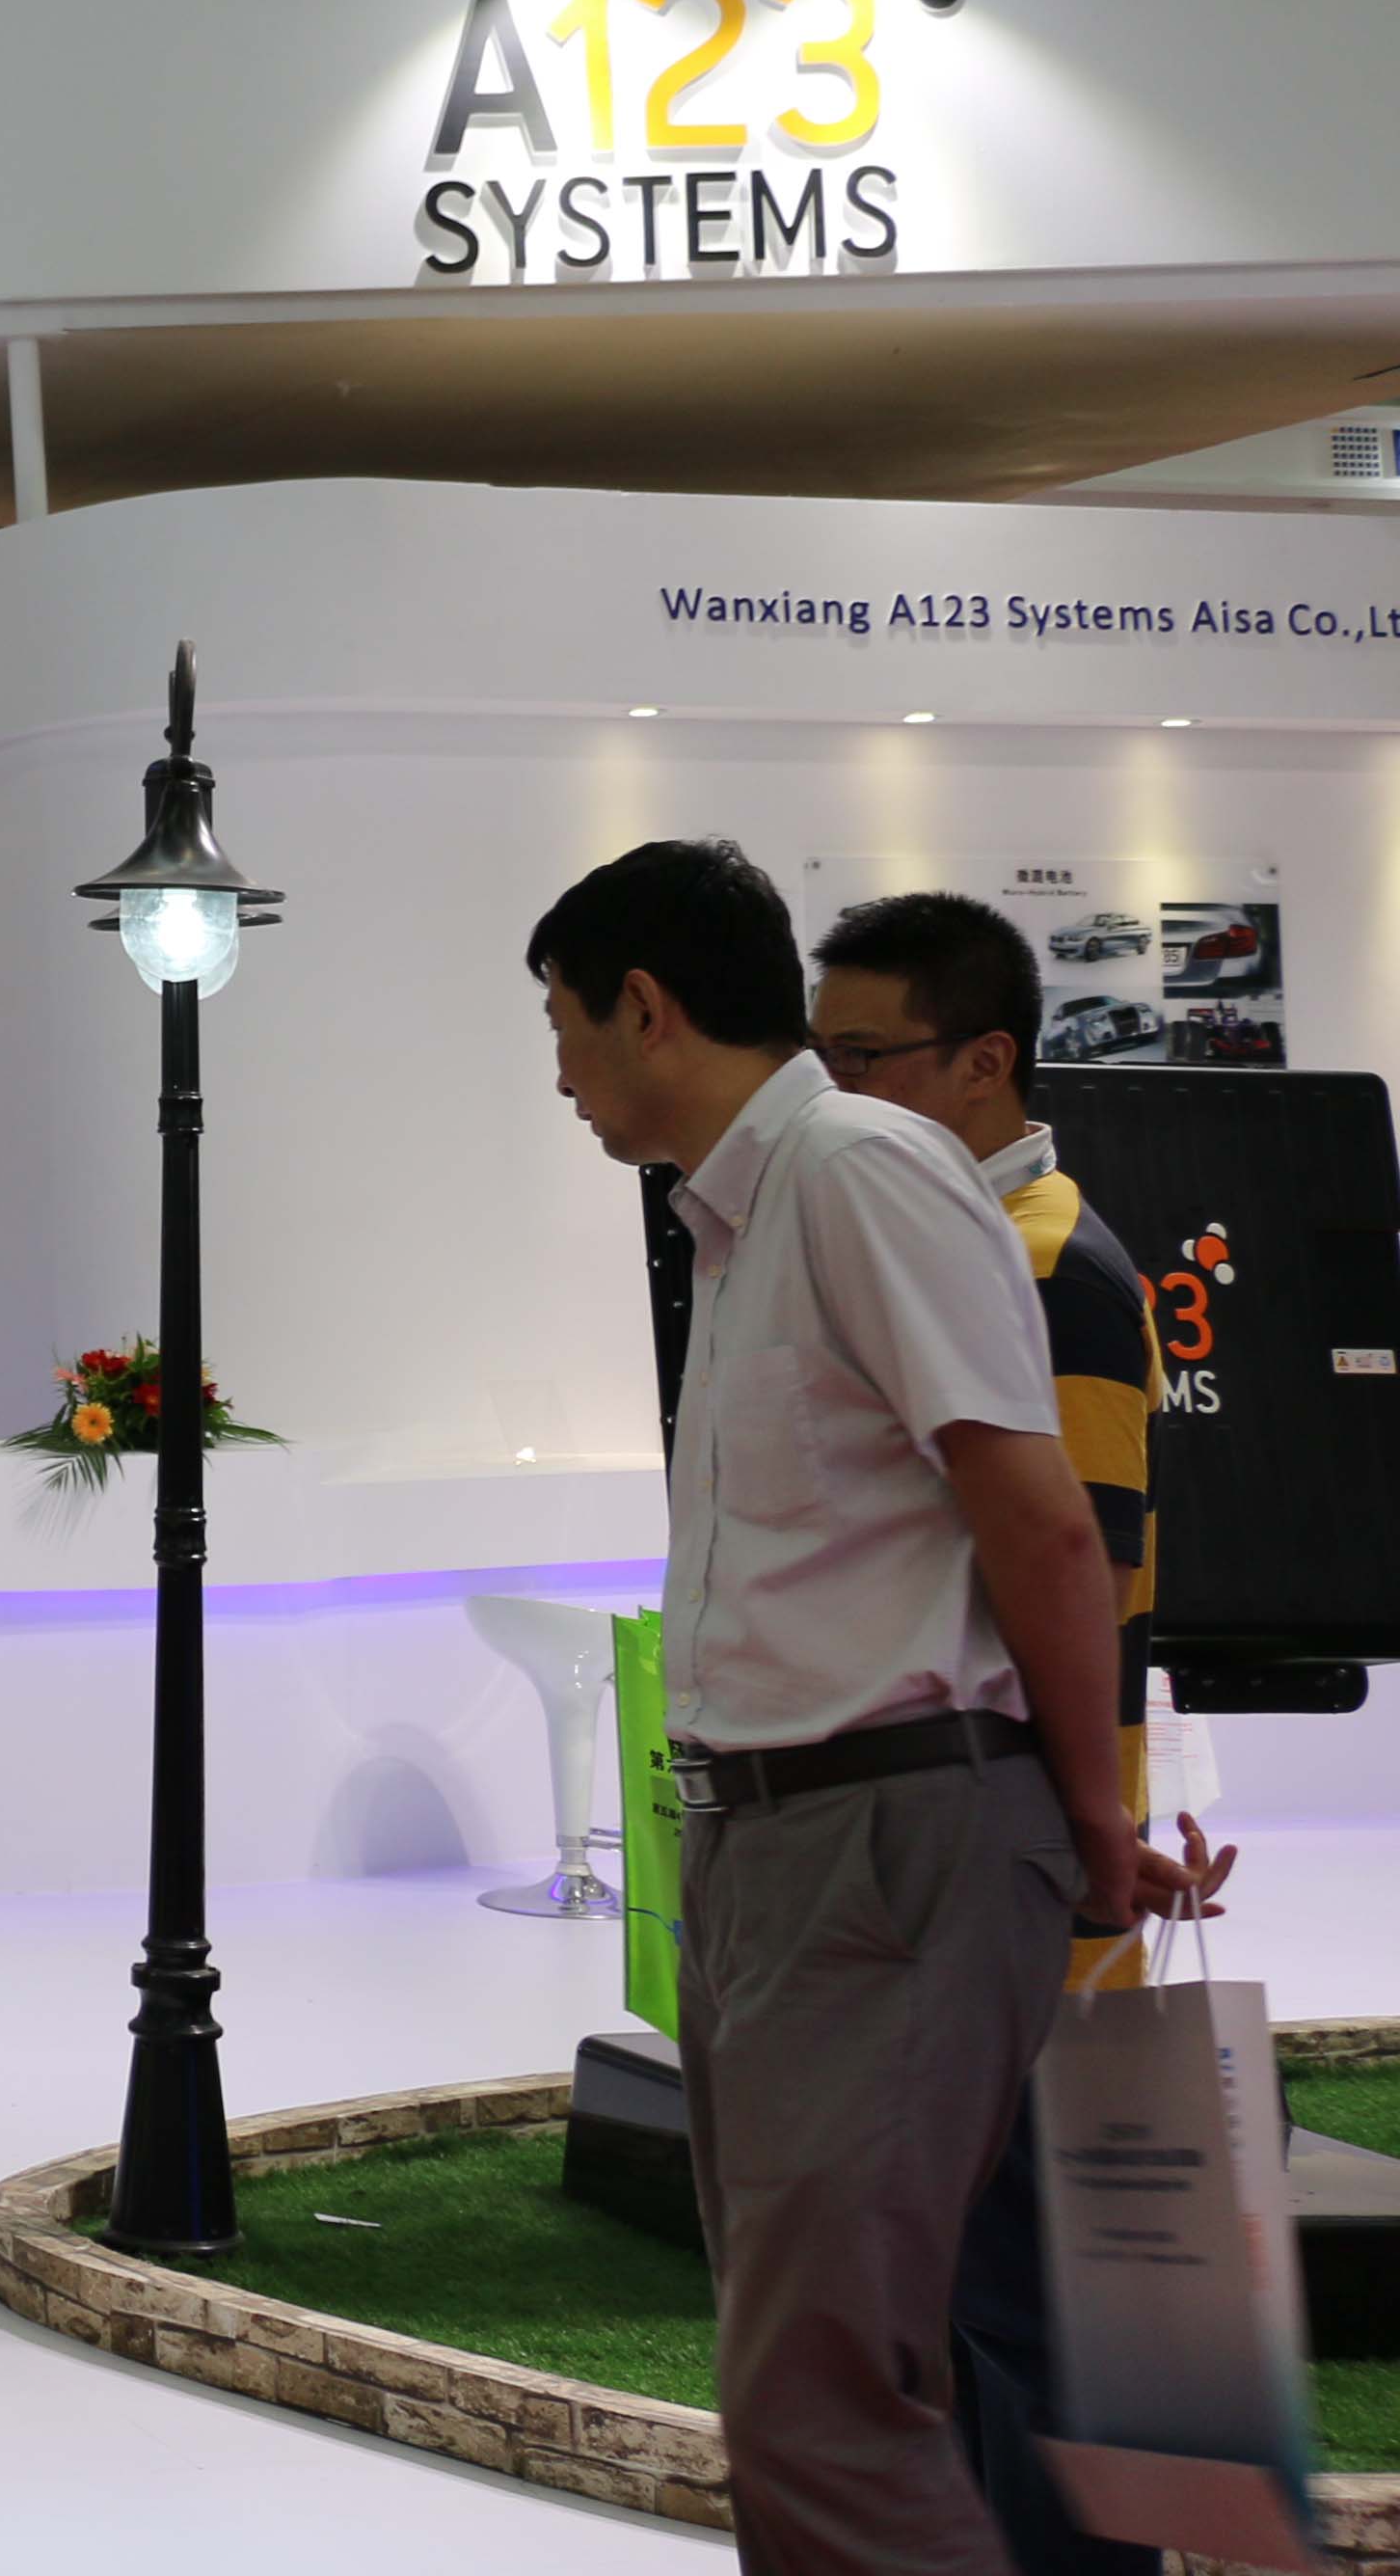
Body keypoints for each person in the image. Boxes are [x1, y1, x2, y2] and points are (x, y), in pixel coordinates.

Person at [531, 839, 1222, 2572]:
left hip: (886, 1833)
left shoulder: (854, 1171)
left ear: (643, 1006)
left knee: (822, 2398)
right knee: (809, 2384)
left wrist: (1090, 1816)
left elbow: (1043, 1524)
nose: (558, 1072)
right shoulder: (745, 1215)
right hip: (785, 1845)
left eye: (561, 1023)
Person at [811, 888, 1211, 2576]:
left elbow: (1084, 1579)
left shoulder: (1047, 1262)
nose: (833, 1095)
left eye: (862, 1058)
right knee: (984, 2322)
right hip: (997, 1852)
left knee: (1032, 2329)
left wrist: (1084, 1834)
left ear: (983, 1061)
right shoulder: (970, 1245)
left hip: (1022, 1876)